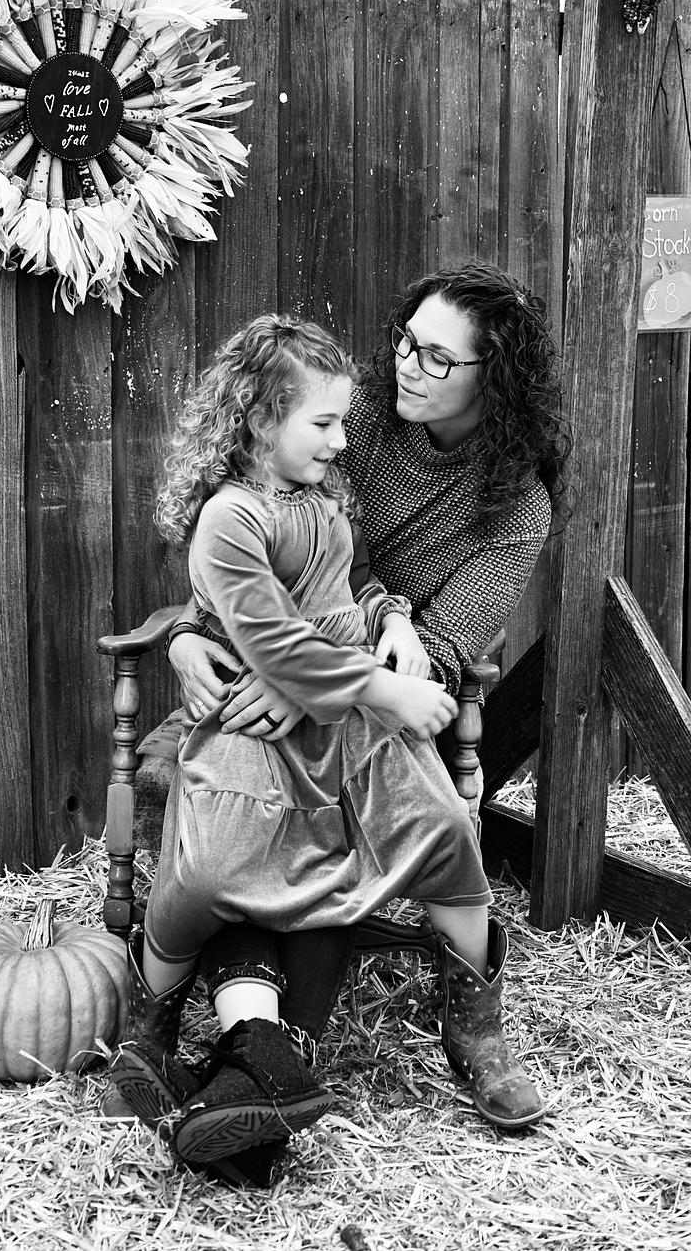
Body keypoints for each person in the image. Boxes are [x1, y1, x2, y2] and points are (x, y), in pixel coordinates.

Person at [110, 263, 570, 1183]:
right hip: (280, 679)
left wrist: (356, 654)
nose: (406, 366)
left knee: (421, 827)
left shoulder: (514, 503)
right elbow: (252, 544)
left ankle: (467, 1029)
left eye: (438, 358)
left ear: (497, 379)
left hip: (376, 699)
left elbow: (432, 635)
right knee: (231, 835)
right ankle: (237, 1052)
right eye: (406, 341)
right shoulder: (345, 421)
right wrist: (191, 637)